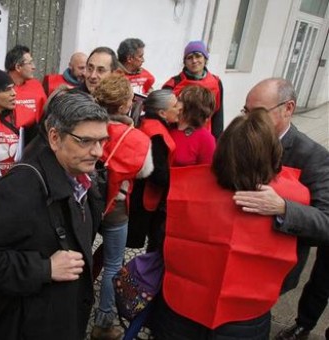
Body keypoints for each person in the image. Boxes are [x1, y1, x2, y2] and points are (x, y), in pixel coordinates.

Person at [0, 89, 109, 339]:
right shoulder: (21, 187)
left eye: (102, 140)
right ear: (55, 138)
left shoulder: (81, 174)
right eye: (86, 141)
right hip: (24, 326)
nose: (98, 152)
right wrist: (43, 268)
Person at [154, 109, 310, 339]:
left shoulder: (188, 186)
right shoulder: (291, 196)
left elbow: (165, 239)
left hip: (182, 306)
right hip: (246, 314)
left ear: (223, 148)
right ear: (272, 152)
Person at [236, 78, 329, 339]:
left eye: (258, 114)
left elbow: (325, 222)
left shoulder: (313, 156)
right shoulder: (236, 138)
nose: (248, 120)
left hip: (272, 269)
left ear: (288, 108)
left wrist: (282, 208)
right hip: (233, 254)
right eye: (246, 111)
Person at [91, 75, 153, 340]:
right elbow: (144, 171)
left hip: (87, 204)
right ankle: (103, 322)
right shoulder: (138, 138)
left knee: (77, 255)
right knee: (114, 264)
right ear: (126, 105)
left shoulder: (89, 126)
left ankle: (73, 303)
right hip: (116, 209)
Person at [127, 89, 180, 251]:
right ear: (162, 113)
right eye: (176, 105)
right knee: (119, 245)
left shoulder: (145, 123)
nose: (180, 108)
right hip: (142, 197)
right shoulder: (156, 134)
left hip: (135, 193)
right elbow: (158, 175)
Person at [162, 40, 224, 140]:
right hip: (177, 136)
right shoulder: (173, 83)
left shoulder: (216, 82)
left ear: (205, 58)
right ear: (184, 62)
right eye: (189, 57)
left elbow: (218, 114)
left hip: (203, 137)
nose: (194, 61)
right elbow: (164, 113)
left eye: (198, 56)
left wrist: (217, 140)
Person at [170, 85, 217, 167]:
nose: (175, 103)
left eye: (179, 100)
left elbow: (205, 174)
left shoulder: (205, 139)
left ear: (192, 110)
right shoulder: (166, 127)